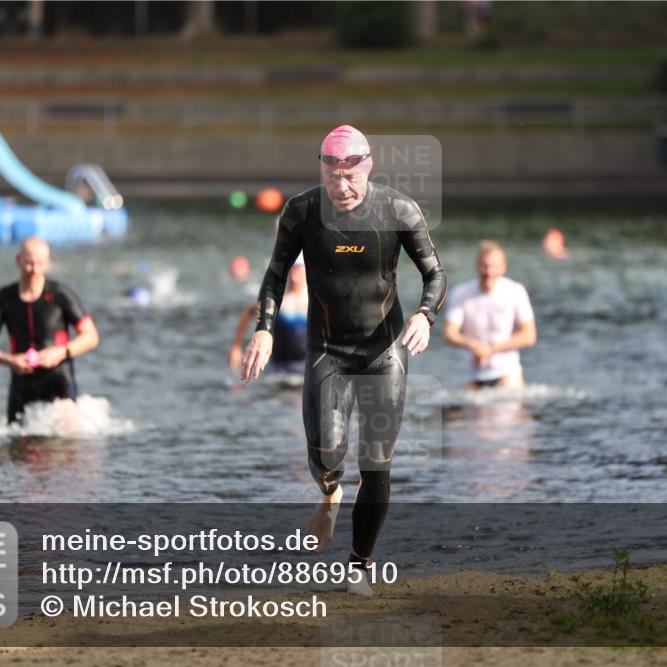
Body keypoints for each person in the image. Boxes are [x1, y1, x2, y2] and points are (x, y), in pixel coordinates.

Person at [240, 125, 447, 596]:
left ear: (367, 167)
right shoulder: (302, 210)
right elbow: (274, 277)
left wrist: (425, 316)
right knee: (326, 455)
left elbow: (435, 274)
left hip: (385, 349)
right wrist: (264, 331)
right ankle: (330, 494)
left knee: (377, 463)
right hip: (327, 348)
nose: (342, 188)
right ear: (322, 171)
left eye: (350, 177)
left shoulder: (398, 210)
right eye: (332, 178)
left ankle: (358, 564)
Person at [0, 237, 100, 424]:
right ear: (18, 260)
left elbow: (91, 336)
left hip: (59, 379)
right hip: (22, 382)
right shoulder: (4, 298)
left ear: (48, 263)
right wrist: (10, 360)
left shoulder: (61, 294)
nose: (35, 270)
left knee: (66, 441)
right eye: (29, 263)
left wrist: (62, 351)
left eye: (40, 264)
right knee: (17, 445)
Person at [443, 240, 536, 389]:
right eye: (484, 266)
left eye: (494, 267)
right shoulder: (461, 293)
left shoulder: (516, 291)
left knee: (509, 402)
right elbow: (449, 334)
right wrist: (472, 344)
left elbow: (529, 336)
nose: (489, 272)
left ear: (504, 267)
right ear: (477, 266)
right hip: (473, 374)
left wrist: (492, 349)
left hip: (507, 372)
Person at [229, 254, 308, 375]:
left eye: (298, 271)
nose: (294, 277)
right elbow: (249, 311)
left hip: (304, 367)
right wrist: (236, 346)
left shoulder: (312, 298)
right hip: (277, 366)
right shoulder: (277, 298)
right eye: (291, 271)